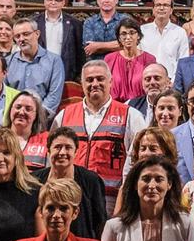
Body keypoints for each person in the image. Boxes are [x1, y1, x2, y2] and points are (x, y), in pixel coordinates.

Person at [55, 61, 145, 209]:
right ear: (82, 83)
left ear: (110, 82)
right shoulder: (64, 116)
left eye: (100, 79)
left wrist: (126, 200)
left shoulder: (130, 116)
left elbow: (138, 161)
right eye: (89, 80)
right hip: (71, 199)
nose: (94, 84)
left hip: (111, 201)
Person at [5, 19, 66, 114]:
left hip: (42, 118)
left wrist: (36, 116)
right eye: (17, 36)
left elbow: (53, 96)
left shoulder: (54, 61)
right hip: (14, 116)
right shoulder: (8, 62)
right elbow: (4, 93)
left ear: (37, 34)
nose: (21, 39)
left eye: (26, 34)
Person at [144, 0, 194, 70]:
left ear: (171, 10)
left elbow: (183, 61)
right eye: (158, 5)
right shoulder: (142, 31)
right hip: (147, 79)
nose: (161, 8)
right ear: (153, 10)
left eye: (165, 5)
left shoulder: (180, 32)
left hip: (171, 80)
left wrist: (173, 81)